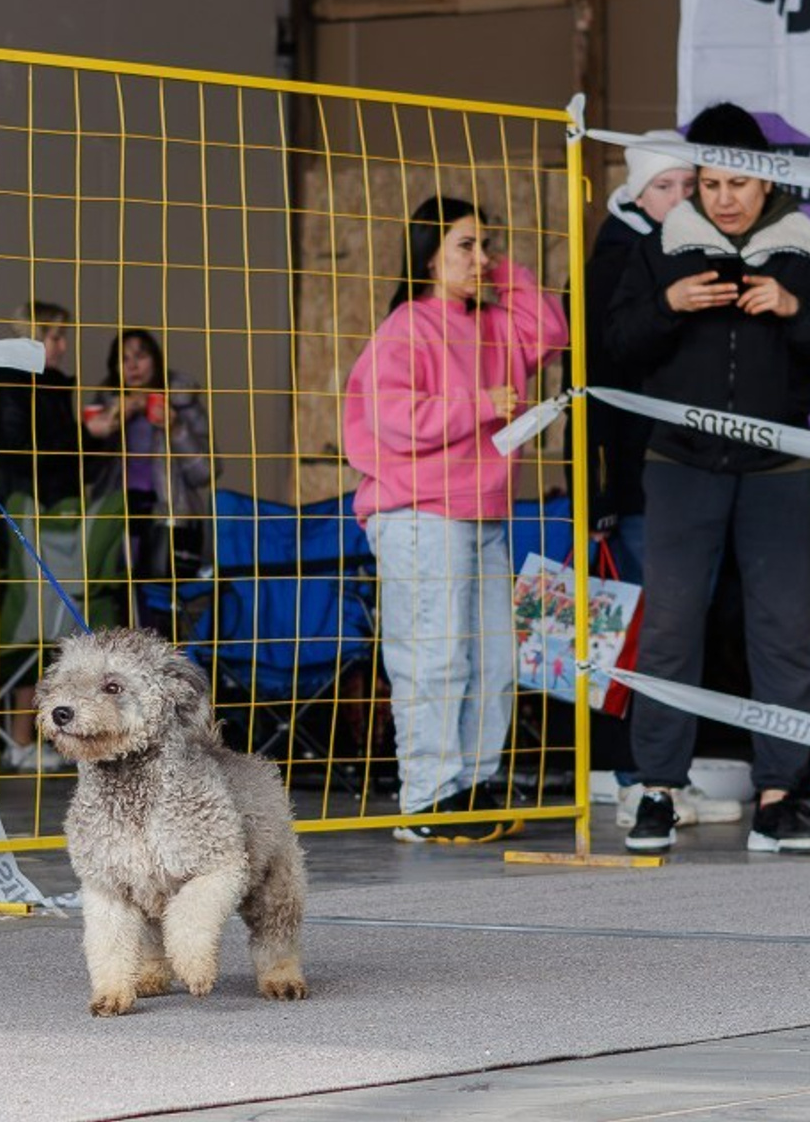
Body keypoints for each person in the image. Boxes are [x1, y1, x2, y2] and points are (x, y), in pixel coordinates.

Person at [607, 103, 810, 855]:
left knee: (784, 631)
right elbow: (616, 348)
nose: (725, 198)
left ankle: (780, 796)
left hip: (782, 470)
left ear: (770, 182)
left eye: (741, 182)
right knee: (669, 627)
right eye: (712, 183)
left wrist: (794, 309)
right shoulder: (663, 245)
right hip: (681, 465)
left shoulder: (802, 249)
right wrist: (668, 304)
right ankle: (657, 789)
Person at [343, 196, 568, 843]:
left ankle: (472, 784)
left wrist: (507, 275)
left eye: (487, 245)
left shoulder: (495, 323)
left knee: (495, 657)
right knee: (434, 656)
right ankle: (427, 798)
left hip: (483, 514)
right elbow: (393, 420)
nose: (482, 258)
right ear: (429, 254)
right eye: (466, 245)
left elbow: (551, 334)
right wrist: (478, 404)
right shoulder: (407, 327)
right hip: (419, 514)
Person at [584, 134, 742, 833]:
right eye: (666, 188)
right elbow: (599, 379)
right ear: (637, 194)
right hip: (644, 481)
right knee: (646, 632)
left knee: (677, 626)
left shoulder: (681, 249)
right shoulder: (623, 257)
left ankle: (658, 775)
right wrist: (605, 493)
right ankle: (638, 779)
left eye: (690, 185)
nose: (682, 200)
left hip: (687, 472)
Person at [0, 301, 88, 771]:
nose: (63, 346)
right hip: (19, 517)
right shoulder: (11, 383)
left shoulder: (45, 386)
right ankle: (19, 738)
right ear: (32, 338)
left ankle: (27, 735)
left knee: (43, 625)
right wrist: (90, 438)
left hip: (40, 517)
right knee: (29, 623)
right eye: (56, 336)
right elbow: (24, 456)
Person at [85, 328, 215, 602]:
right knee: (117, 602)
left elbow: (206, 473)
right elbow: (86, 474)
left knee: (159, 605)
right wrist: (101, 431)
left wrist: (176, 428)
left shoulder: (180, 402)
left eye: (140, 356)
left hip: (167, 521)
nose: (132, 366)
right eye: (123, 359)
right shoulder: (105, 406)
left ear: (156, 360)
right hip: (116, 521)